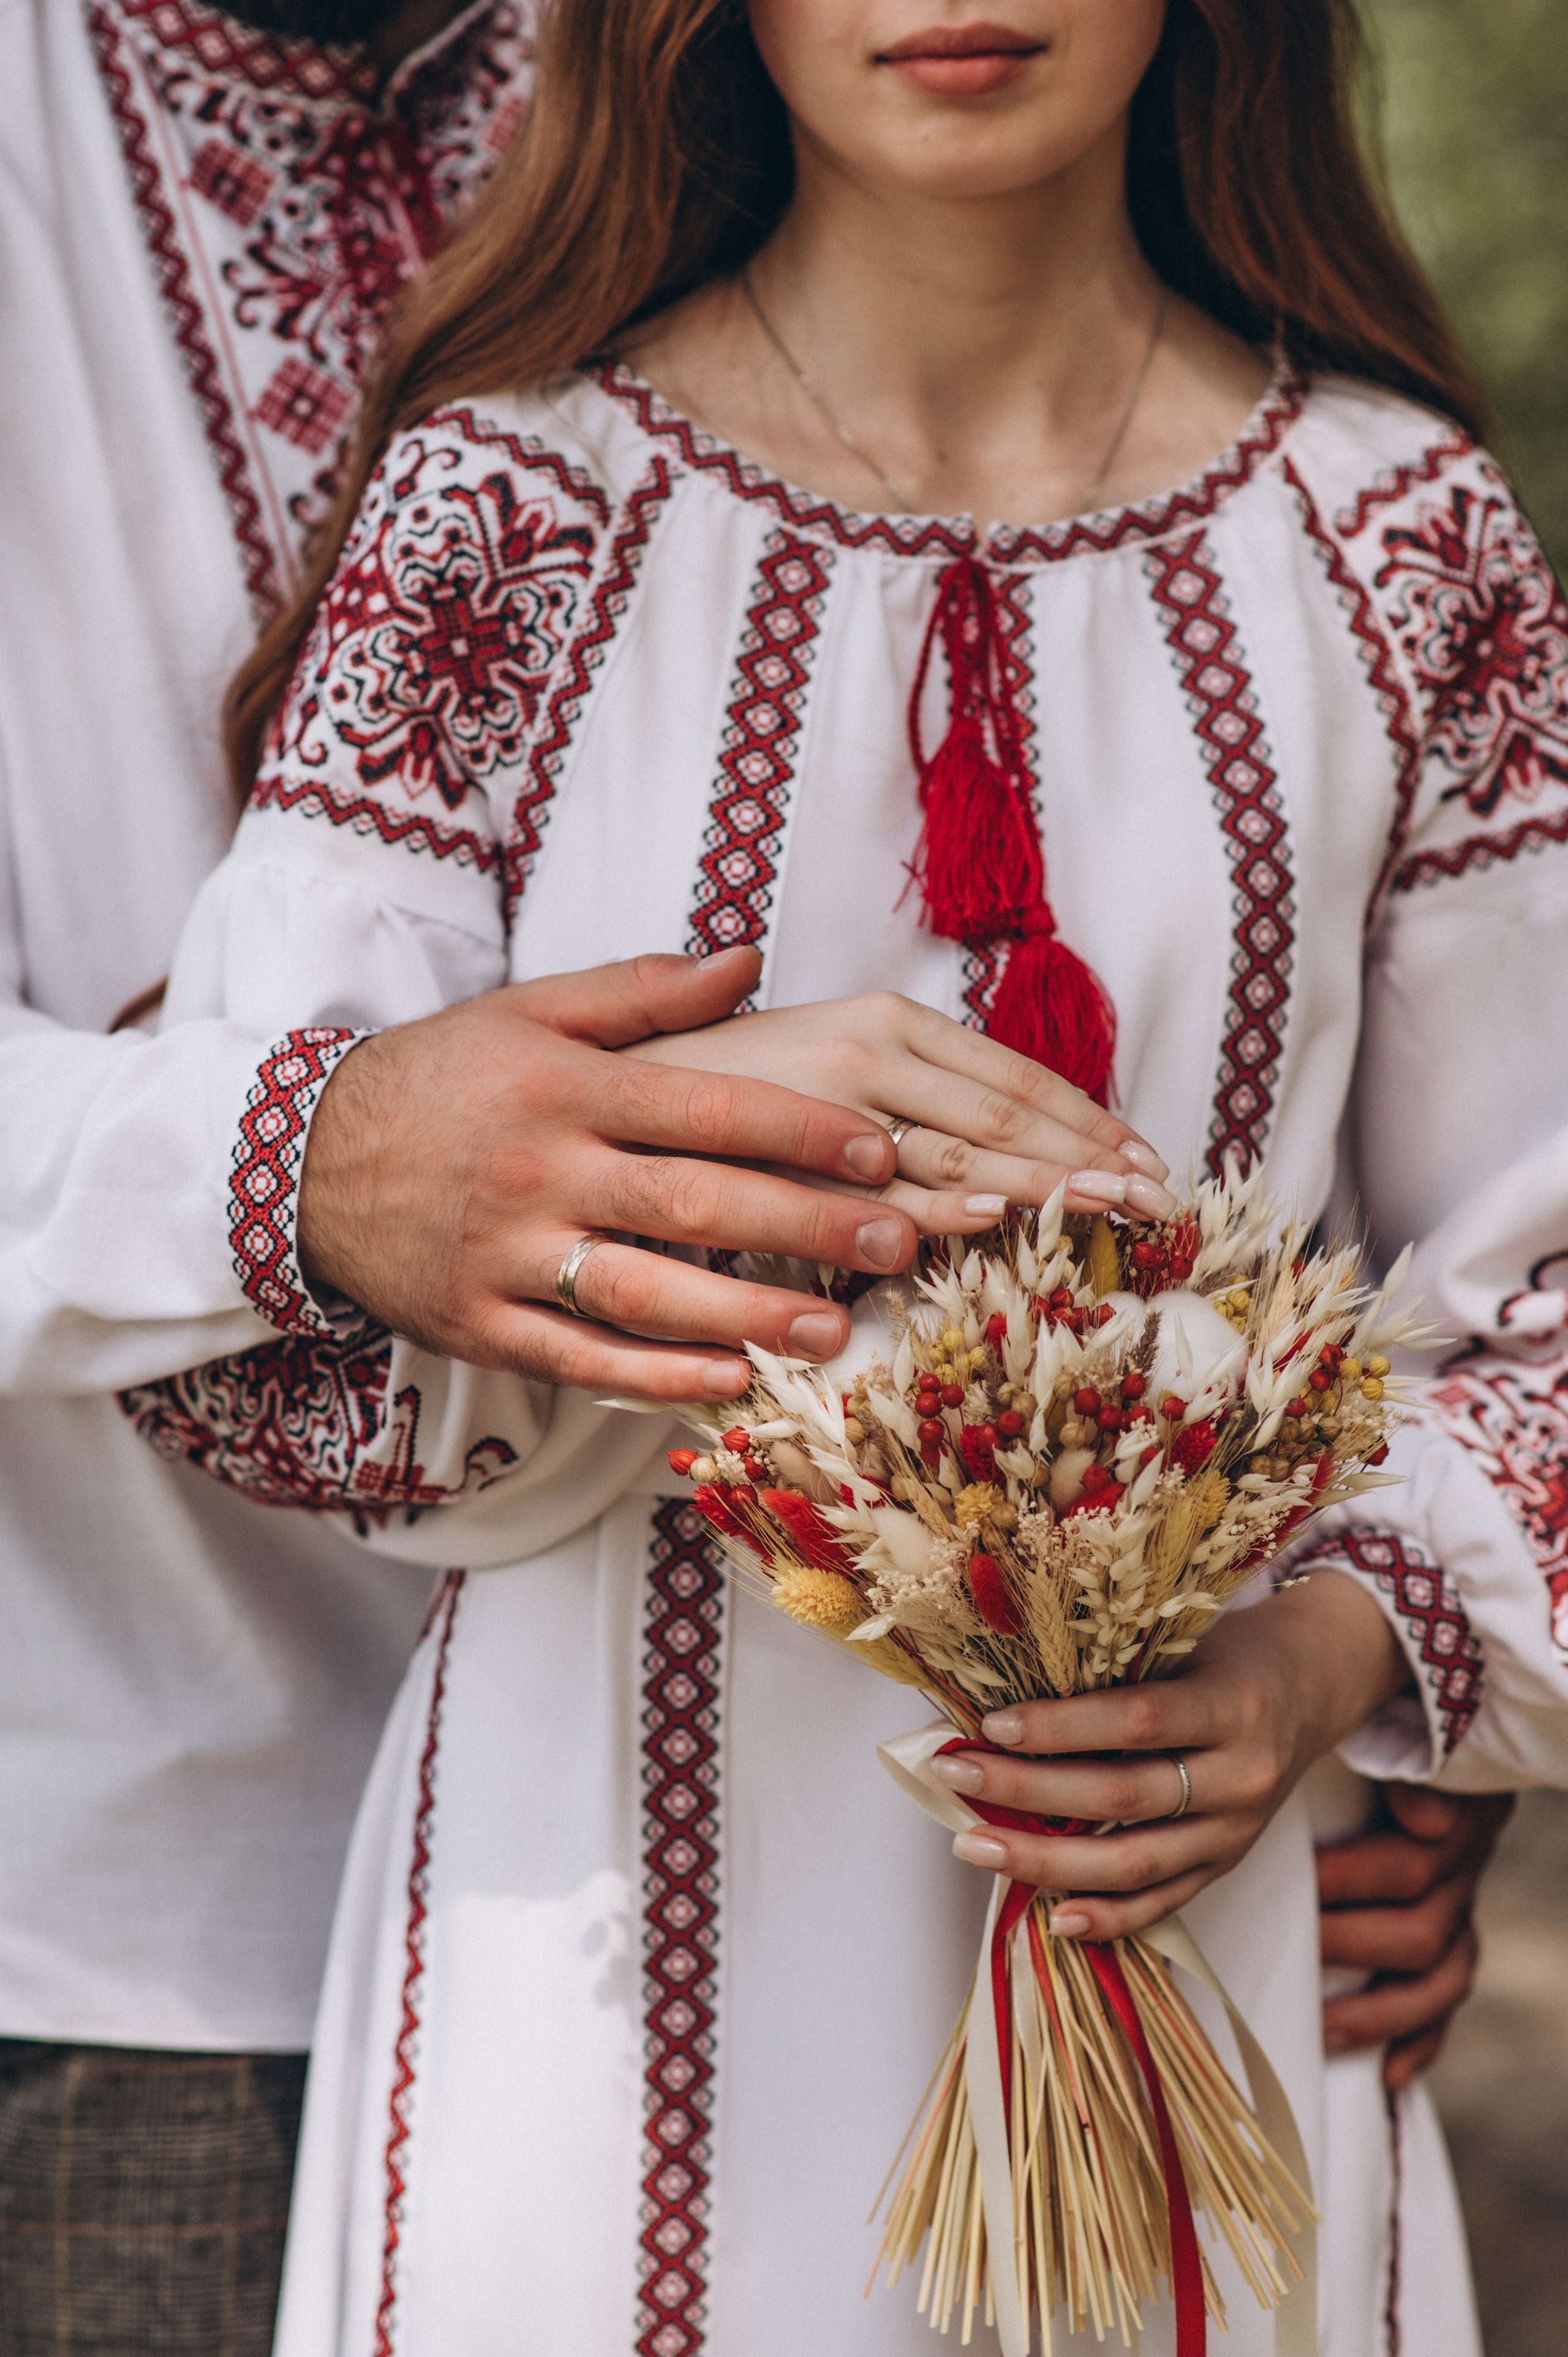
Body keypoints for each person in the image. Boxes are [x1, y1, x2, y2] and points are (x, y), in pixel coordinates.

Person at [107, 0, 1568, 2348]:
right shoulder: (509, 509)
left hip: (1208, 1909)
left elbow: (1545, 1299)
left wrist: (1320, 1663)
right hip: (589, 1966)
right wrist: (710, 1186)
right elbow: (254, 1317)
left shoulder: (1405, 545)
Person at [0, 6, 1161, 2348]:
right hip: (114, 1912)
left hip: (897, 1895)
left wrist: (1362, 1664)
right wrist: (303, 1153)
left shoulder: (795, 54)